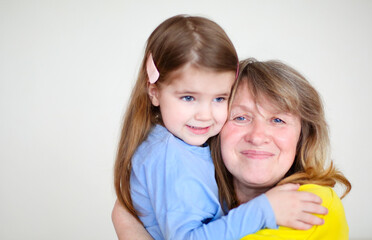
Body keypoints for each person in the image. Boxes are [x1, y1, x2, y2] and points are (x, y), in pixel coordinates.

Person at [113, 14, 327, 240]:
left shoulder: (184, 148)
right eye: (188, 97)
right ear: (154, 92)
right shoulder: (171, 156)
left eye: (219, 99)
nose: (205, 115)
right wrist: (265, 210)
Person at [210, 58, 351, 239]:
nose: (257, 137)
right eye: (241, 118)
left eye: (278, 120)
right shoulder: (199, 198)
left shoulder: (314, 203)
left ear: (302, 137)